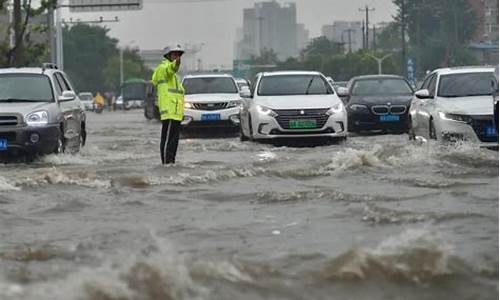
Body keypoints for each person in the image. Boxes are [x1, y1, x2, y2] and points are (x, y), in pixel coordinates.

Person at [152, 44, 185, 164]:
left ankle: (171, 163)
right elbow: (170, 69)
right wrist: (176, 64)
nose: (176, 57)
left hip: (176, 112)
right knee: (167, 140)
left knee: (174, 141)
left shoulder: (175, 77)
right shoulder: (163, 68)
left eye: (178, 54)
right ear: (168, 56)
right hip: (169, 111)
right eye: (174, 54)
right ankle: (166, 164)